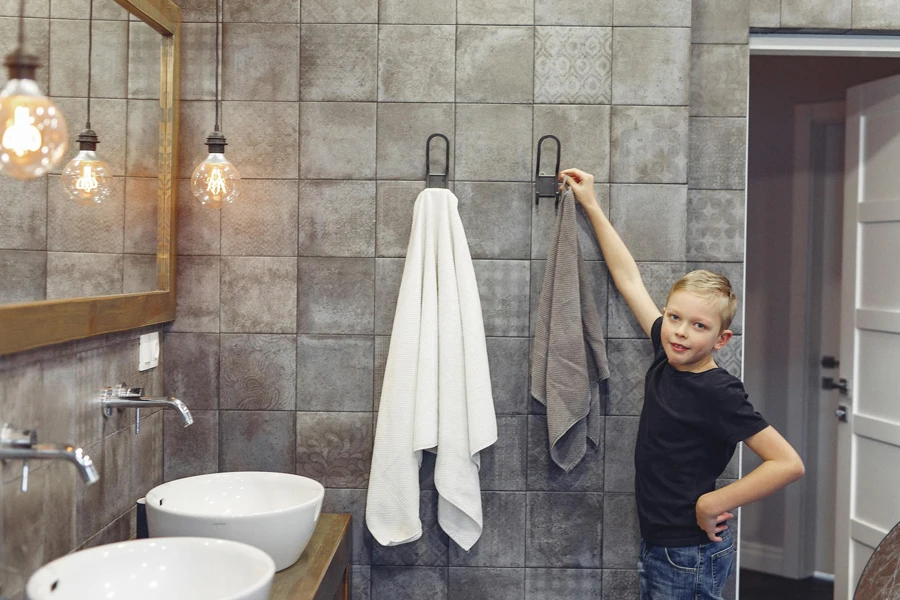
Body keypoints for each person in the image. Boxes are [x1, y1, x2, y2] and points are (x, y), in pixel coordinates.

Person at [558, 168, 805, 600]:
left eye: (698, 325)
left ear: (721, 339)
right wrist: (591, 205)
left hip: (688, 554)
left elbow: (787, 463)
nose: (680, 332)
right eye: (674, 317)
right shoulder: (666, 354)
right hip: (661, 544)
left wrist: (714, 502)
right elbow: (629, 280)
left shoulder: (718, 390)